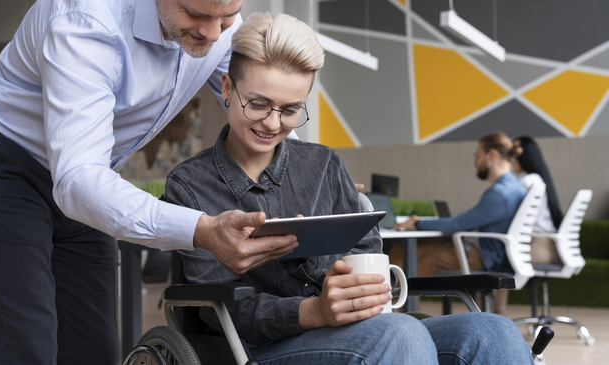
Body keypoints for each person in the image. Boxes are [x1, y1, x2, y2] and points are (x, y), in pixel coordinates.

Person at [164, 13, 534, 364]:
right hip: (256, 346)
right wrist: (314, 310)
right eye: (259, 104)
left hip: (355, 328)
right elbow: (220, 308)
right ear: (227, 87)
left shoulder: (324, 165)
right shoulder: (190, 185)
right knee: (401, 334)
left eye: (291, 109)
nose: (273, 123)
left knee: (495, 332)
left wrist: (335, 277)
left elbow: (367, 254)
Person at [0, 1, 300, 364]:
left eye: (227, 16)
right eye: (197, 15)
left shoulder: (219, 25)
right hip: (6, 161)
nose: (214, 33)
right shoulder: (86, 20)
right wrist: (202, 230)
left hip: (92, 173)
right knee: (26, 347)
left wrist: (312, 180)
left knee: (94, 349)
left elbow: (261, 112)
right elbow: (78, 180)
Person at [391, 132, 525, 315]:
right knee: (399, 251)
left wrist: (418, 223)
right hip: (480, 249)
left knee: (409, 276)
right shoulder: (515, 186)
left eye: (477, 157)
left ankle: (412, 325)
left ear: (491, 155)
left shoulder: (500, 193)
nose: (475, 163)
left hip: (481, 255)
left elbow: (458, 224)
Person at [512, 136, 563, 264]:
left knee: (492, 258)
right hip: (553, 247)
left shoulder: (528, 181)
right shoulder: (540, 179)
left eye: (513, 156)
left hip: (536, 248)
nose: (511, 161)